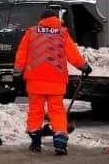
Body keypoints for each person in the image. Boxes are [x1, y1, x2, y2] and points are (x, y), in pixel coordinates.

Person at [14, 10, 92, 156]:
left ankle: (35, 142)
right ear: (55, 19)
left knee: (35, 111)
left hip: (35, 81)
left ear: (41, 20)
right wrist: (84, 66)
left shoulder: (32, 32)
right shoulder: (62, 33)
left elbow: (22, 52)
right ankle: (60, 143)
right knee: (57, 111)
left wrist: (17, 71)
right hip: (56, 81)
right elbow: (73, 54)